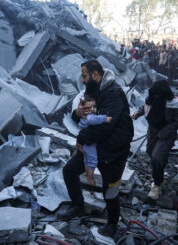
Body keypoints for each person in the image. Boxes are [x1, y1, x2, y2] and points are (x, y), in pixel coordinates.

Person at [59, 60, 134, 238]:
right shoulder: (91, 91)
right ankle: (78, 207)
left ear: (95, 75)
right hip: (94, 146)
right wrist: (75, 115)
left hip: (113, 150)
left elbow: (104, 125)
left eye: (84, 76)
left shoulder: (113, 93)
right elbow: (84, 117)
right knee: (69, 171)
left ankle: (112, 223)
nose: (82, 80)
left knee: (110, 188)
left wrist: (81, 138)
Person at [133, 80, 178, 200]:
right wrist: (138, 113)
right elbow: (145, 107)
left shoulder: (173, 102)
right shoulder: (151, 98)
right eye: (155, 94)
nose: (157, 97)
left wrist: (164, 132)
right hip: (152, 131)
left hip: (166, 134)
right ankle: (159, 178)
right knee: (151, 154)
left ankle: (156, 186)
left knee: (157, 157)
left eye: (159, 95)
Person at [78, 95, 112, 178]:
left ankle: (87, 174)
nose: (92, 109)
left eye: (94, 107)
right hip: (90, 143)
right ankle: (90, 177)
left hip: (86, 142)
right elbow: (93, 119)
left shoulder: (84, 115)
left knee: (86, 160)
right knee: (93, 160)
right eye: (89, 108)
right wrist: (105, 118)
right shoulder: (89, 116)